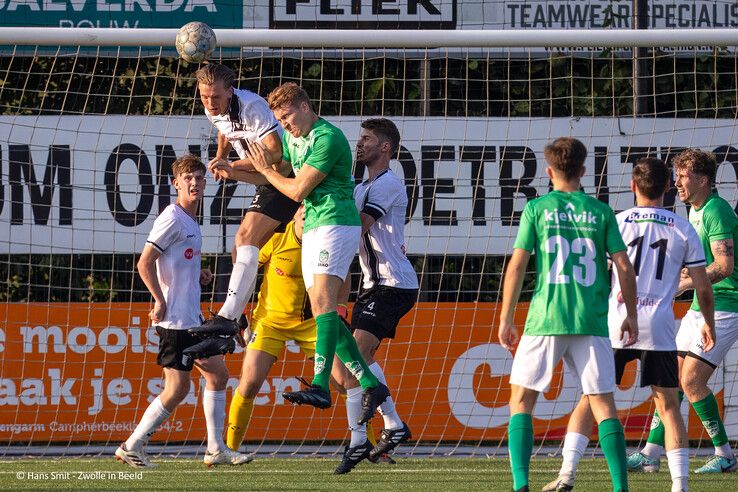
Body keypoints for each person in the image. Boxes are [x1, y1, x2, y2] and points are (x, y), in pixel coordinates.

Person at [542, 157, 716, 492]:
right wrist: (707, 322)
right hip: (661, 328)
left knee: (590, 399)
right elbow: (703, 288)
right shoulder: (683, 228)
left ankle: (567, 474)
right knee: (668, 406)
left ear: (633, 186)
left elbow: (591, 276)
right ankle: (680, 486)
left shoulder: (617, 222)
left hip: (616, 324)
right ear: (668, 187)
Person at [498, 137, 638, 492]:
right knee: (603, 403)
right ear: (583, 170)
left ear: (548, 172)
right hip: (591, 320)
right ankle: (621, 488)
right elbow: (623, 265)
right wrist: (631, 315)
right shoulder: (602, 212)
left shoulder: (538, 209)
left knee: (522, 400)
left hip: (547, 317)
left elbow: (517, 265)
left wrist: (506, 317)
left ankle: (520, 486)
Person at [245, 82, 389, 424]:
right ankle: (371, 384)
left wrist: (265, 171)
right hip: (315, 228)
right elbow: (274, 165)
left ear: (305, 107)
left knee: (323, 307)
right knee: (326, 314)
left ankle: (321, 384)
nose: (285, 124)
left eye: (287, 116)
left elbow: (295, 189)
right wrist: (230, 167)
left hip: (336, 225)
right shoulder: (294, 137)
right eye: (278, 119)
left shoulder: (328, 137)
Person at [115, 155, 249, 468]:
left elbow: (174, 261)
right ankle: (132, 445)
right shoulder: (172, 217)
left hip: (192, 319)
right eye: (188, 178)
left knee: (218, 375)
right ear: (176, 183)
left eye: (199, 178)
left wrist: (198, 274)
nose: (194, 183)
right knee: (177, 388)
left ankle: (215, 448)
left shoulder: (189, 220)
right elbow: (145, 262)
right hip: (175, 321)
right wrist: (159, 301)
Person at [628, 149, 738, 475]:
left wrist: (685, 282)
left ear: (703, 179)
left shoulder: (716, 210)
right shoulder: (693, 210)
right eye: (675, 175)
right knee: (668, 380)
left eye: (683, 175)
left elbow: (724, 265)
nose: (676, 182)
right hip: (699, 307)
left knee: (690, 381)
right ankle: (650, 452)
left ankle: (725, 454)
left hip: (726, 306)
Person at [330, 118, 418, 474]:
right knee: (341, 371)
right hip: (372, 285)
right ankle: (394, 425)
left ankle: (356, 441)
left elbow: (357, 225)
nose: (359, 144)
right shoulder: (359, 185)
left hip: (394, 284)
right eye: (359, 138)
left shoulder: (389, 185)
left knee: (357, 355)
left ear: (385, 147)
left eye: (367, 139)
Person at [192, 63, 300, 336]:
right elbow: (223, 129)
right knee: (240, 250)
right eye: (204, 96)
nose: (209, 102)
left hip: (288, 177)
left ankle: (228, 317)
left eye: (216, 97)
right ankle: (238, 316)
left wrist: (234, 167)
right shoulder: (211, 107)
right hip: (267, 179)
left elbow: (275, 153)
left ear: (231, 91)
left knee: (245, 239)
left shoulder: (252, 107)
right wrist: (221, 156)